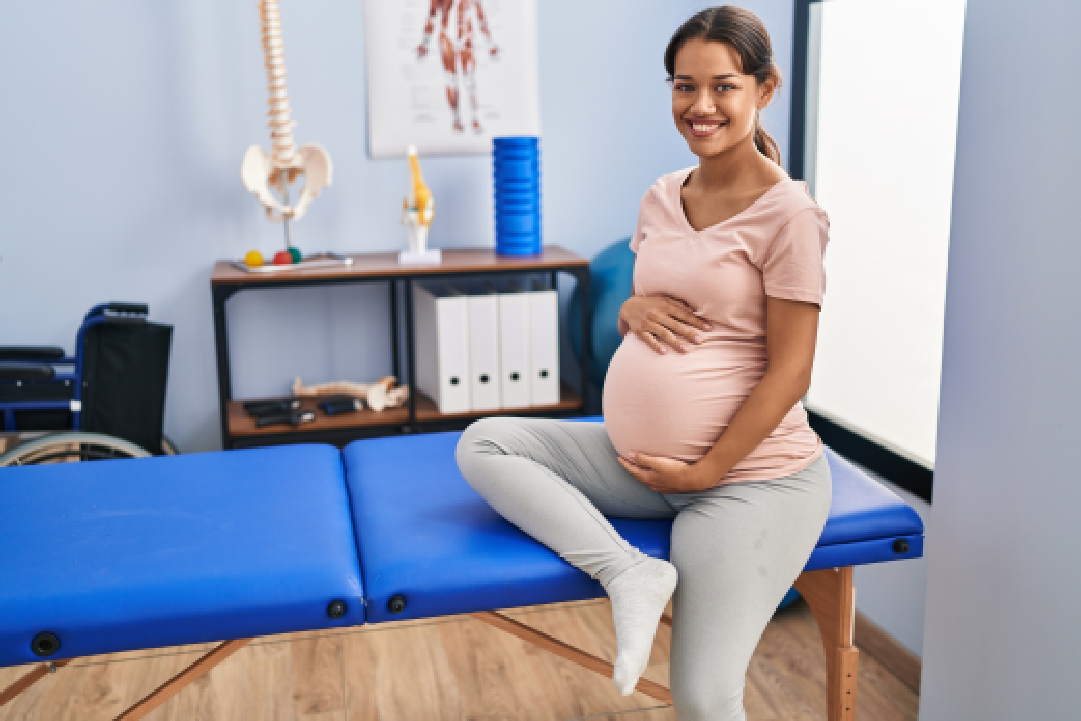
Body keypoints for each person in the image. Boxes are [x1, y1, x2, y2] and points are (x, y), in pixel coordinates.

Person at [456, 6, 831, 719]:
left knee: (700, 695)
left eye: (722, 86)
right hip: (643, 469)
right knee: (486, 442)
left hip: (746, 480)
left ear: (764, 88)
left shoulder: (788, 216)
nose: (700, 106)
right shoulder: (662, 195)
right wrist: (628, 310)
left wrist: (706, 470)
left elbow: (791, 371)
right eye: (683, 86)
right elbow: (648, 299)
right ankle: (627, 571)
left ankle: (650, 556)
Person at [417, 0, 499, 134]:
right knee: (451, 81)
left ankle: (475, 119)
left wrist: (490, 44)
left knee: (470, 80)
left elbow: (480, 15)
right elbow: (432, 15)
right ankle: (456, 119)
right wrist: (425, 43)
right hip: (447, 38)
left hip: (466, 37)